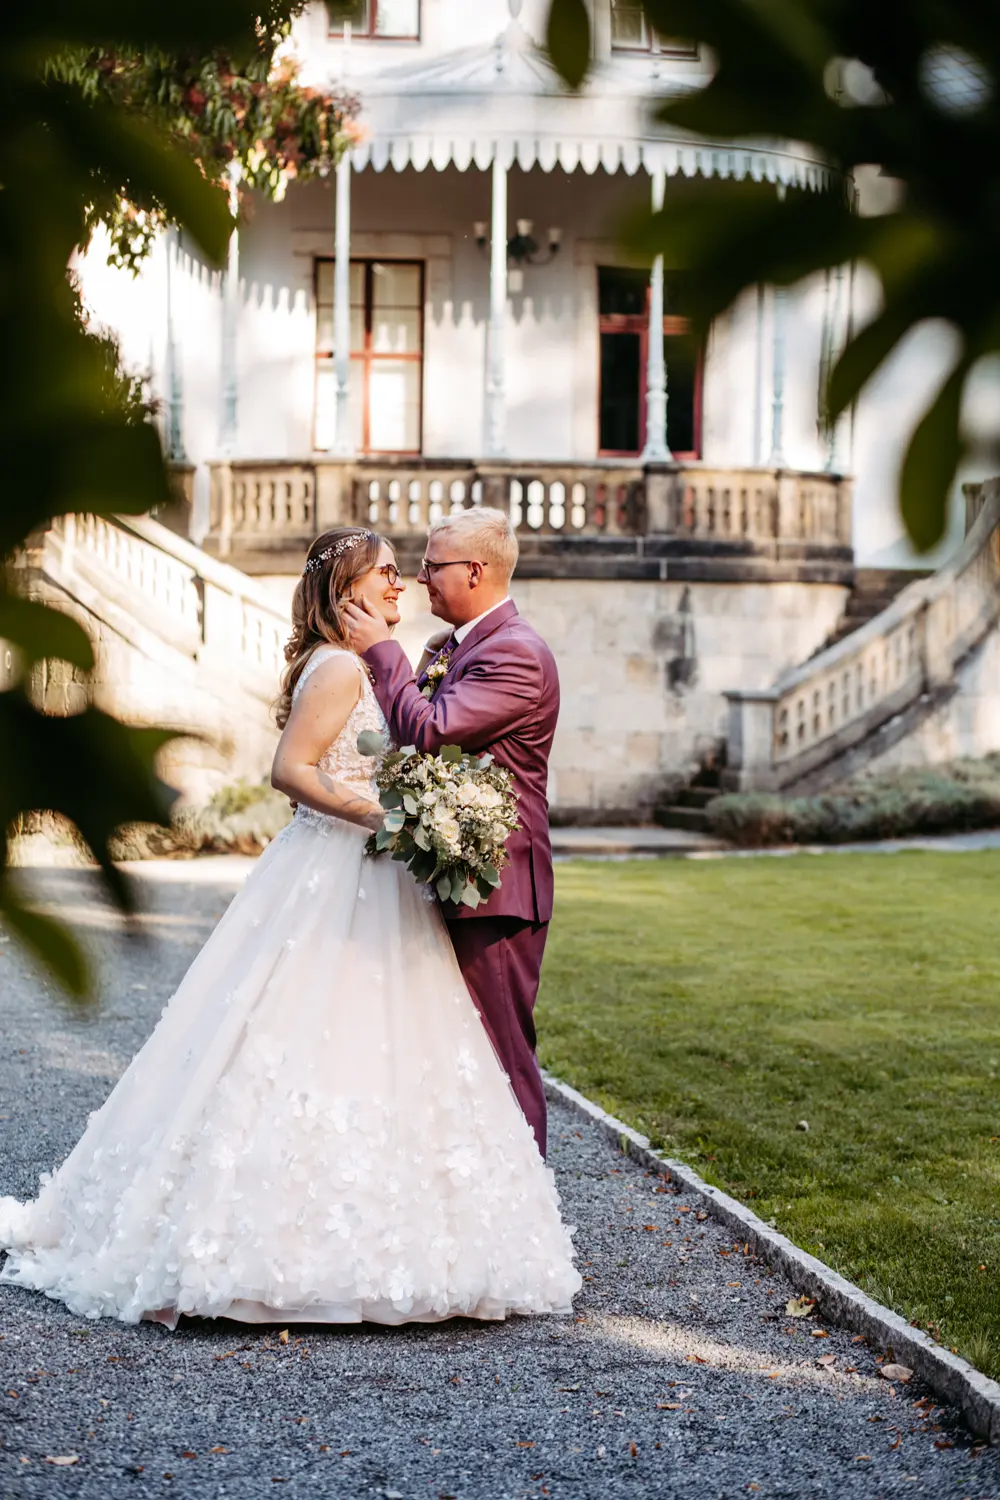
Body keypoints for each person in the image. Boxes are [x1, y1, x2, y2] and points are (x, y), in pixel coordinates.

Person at [0, 527, 580, 1328]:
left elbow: (427, 737)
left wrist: (409, 808)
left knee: (423, 1047)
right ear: (345, 591)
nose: (403, 582)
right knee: (311, 1035)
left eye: (412, 569)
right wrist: (388, 817)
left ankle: (475, 1223)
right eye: (387, 572)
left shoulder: (405, 658)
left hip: (396, 877)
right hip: (341, 869)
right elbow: (291, 770)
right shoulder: (343, 666)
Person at [344, 507, 558, 1158]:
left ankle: (529, 1196)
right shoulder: (451, 647)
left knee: (499, 1050)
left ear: (474, 571)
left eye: (432, 566)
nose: (419, 578)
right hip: (448, 865)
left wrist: (382, 652)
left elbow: (431, 732)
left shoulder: (517, 654)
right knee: (454, 1045)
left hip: (494, 882)